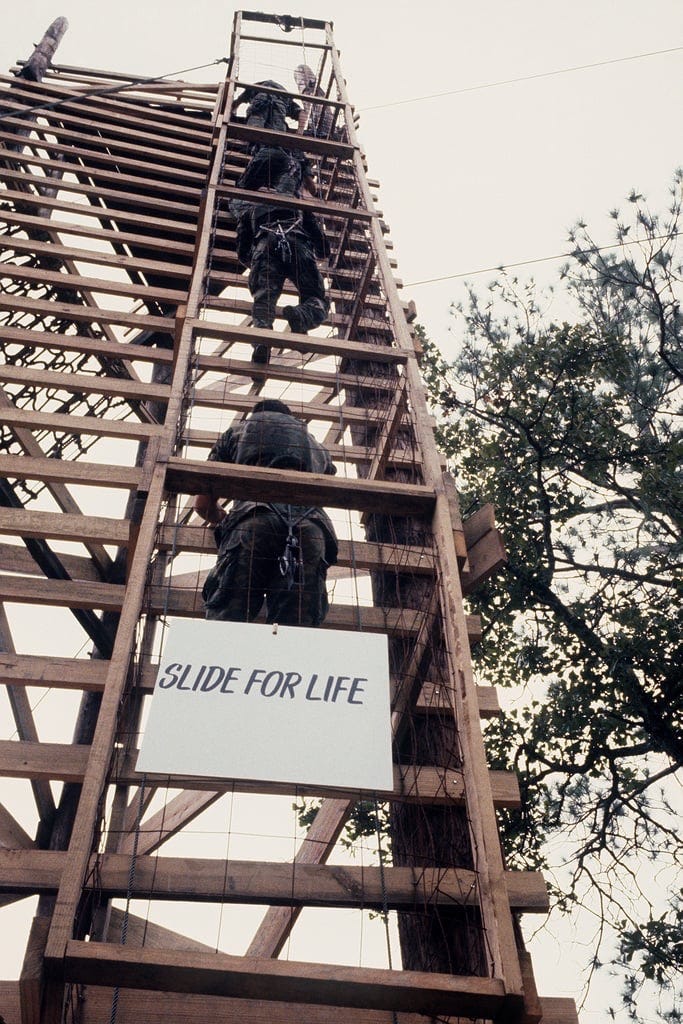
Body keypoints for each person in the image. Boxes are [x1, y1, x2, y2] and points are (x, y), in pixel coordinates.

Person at [195, 399, 338, 627]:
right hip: (311, 528)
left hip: (254, 520)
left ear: (255, 415)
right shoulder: (317, 447)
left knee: (229, 615)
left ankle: (221, 662)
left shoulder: (238, 431)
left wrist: (222, 518)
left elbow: (203, 504)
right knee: (296, 626)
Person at [235, 187, 330, 363]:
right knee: (316, 297)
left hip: (264, 245)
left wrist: (255, 264)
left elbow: (242, 250)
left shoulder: (251, 210)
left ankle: (262, 340)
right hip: (297, 243)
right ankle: (302, 316)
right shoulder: (298, 203)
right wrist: (322, 251)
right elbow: (318, 237)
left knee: (264, 298)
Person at [232, 80, 302, 142]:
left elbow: (239, 100)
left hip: (262, 97)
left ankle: (254, 146)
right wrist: (299, 132)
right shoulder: (288, 100)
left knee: (253, 132)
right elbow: (302, 113)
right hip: (280, 102)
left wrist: (233, 110)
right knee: (277, 139)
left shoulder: (257, 87)